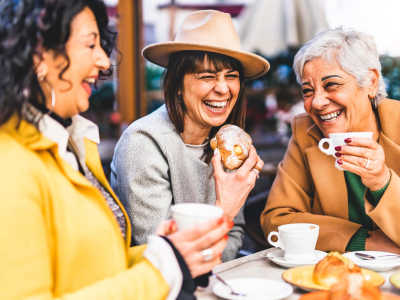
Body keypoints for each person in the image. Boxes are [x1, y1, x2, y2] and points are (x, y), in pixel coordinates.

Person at [0, 1, 234, 299]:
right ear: (38, 54)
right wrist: (163, 267)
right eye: (91, 44)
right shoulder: (9, 165)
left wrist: (167, 253)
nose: (103, 61)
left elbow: (99, 268)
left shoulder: (70, 144)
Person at [111, 10, 268, 261]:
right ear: (178, 85)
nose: (223, 88)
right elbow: (162, 255)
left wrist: (212, 256)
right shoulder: (143, 143)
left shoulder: (226, 143)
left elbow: (236, 233)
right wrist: (224, 209)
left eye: (232, 76)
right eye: (207, 76)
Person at [261, 28, 400, 254]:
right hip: (333, 276)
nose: (316, 102)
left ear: (371, 82)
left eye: (331, 85)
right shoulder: (307, 132)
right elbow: (276, 220)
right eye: (307, 90)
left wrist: (381, 182)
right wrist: (362, 242)